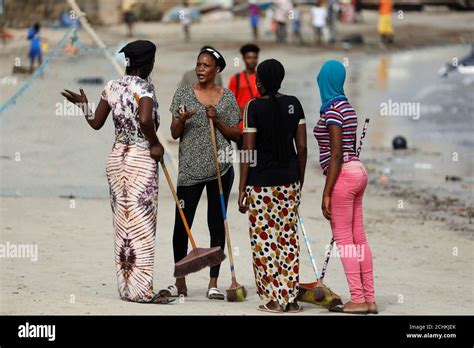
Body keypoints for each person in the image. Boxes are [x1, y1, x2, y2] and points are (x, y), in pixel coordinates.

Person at [61, 40, 172, 304]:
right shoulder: (144, 88)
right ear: (149, 64)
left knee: (123, 224)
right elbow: (145, 119)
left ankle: (126, 289)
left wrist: (84, 105)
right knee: (142, 225)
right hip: (140, 159)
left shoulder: (111, 86)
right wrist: (155, 144)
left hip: (116, 158)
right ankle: (142, 292)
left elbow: (96, 123)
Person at [160, 47, 241, 300]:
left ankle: (213, 282)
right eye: (198, 65)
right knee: (181, 225)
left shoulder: (226, 97)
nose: (200, 69)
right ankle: (180, 281)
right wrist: (182, 119)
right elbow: (173, 132)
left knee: (216, 223)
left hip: (221, 169)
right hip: (190, 171)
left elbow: (236, 135)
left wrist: (216, 120)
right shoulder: (184, 92)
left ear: (216, 69)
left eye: (206, 66)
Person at [239, 59, 307, 313]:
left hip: (261, 185)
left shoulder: (253, 107)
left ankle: (273, 299)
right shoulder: (295, 104)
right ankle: (290, 298)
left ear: (261, 82)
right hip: (289, 181)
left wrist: (242, 188)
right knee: (288, 238)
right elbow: (301, 147)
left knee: (264, 239)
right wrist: (299, 180)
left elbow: (248, 150)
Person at [313, 60, 377, 314]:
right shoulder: (347, 106)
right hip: (358, 172)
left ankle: (358, 299)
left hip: (343, 175)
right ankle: (369, 298)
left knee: (345, 241)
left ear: (325, 82)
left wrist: (326, 192)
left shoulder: (331, 111)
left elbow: (337, 154)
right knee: (358, 238)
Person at [228, 43, 261, 149]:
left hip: (260, 126)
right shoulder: (236, 79)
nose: (252, 60)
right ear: (243, 59)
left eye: (254, 58)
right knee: (245, 160)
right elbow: (229, 103)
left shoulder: (262, 77)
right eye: (249, 58)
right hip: (242, 128)